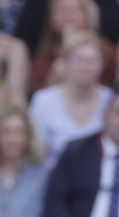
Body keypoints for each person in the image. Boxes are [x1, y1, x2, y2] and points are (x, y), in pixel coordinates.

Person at [28, 33, 114, 163]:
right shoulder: (42, 101)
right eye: (80, 60)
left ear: (102, 65)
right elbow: (35, 152)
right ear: (65, 63)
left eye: (93, 61)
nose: (86, 67)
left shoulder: (111, 100)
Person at [29, 0, 114, 91]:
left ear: (86, 14)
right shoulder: (43, 58)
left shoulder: (105, 52)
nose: (67, 15)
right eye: (60, 10)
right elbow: (40, 96)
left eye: (73, 10)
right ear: (50, 17)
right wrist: (55, 77)